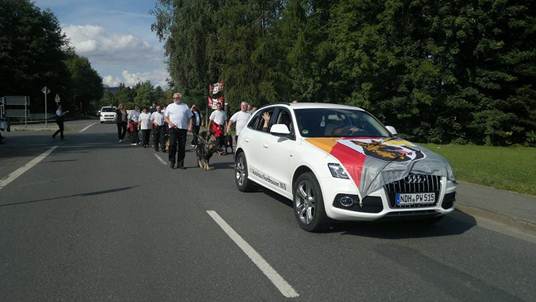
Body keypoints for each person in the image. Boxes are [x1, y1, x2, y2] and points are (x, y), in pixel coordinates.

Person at [164, 92, 193, 169]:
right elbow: (165, 118)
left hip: (183, 129)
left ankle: (180, 163)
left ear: (180, 98)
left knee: (182, 146)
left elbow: (190, 117)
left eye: (177, 98)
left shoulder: (185, 106)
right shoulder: (170, 106)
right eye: (174, 98)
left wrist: (190, 126)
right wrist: (170, 123)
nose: (175, 99)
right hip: (173, 128)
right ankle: (172, 161)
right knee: (172, 144)